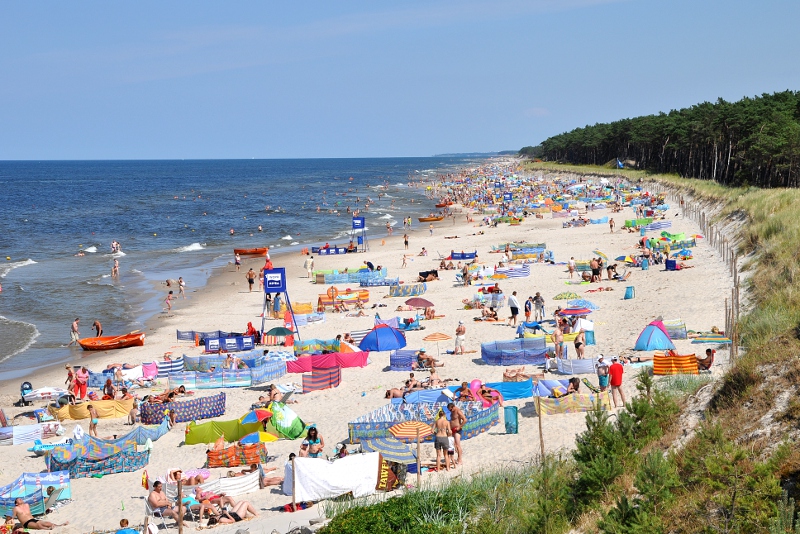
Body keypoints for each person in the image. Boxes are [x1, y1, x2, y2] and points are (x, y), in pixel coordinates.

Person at [448, 402, 466, 466]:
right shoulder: (452, 412)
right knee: (453, 445)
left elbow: (465, 419)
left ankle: (460, 459)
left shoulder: (458, 411)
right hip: (452, 430)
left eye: (450, 409)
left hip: (457, 429)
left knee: (458, 445)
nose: (450, 411)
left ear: (453, 407)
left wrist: (460, 426)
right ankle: (454, 458)